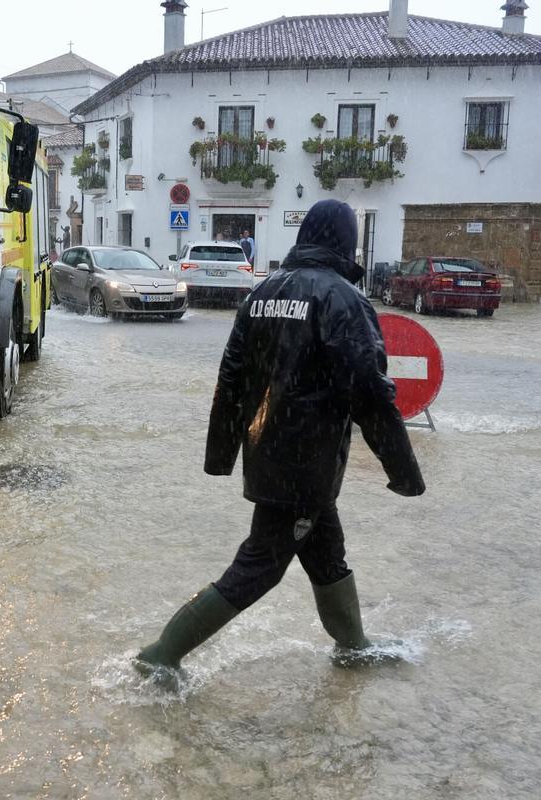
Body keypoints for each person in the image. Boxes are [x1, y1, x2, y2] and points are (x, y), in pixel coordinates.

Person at [134, 199, 425, 689]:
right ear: (345, 242)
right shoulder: (344, 300)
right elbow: (371, 392)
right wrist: (403, 469)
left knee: (327, 553)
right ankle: (161, 654)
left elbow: (230, 377)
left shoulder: (262, 293)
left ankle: (353, 648)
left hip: (270, 455)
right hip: (305, 465)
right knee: (259, 568)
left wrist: (223, 455)